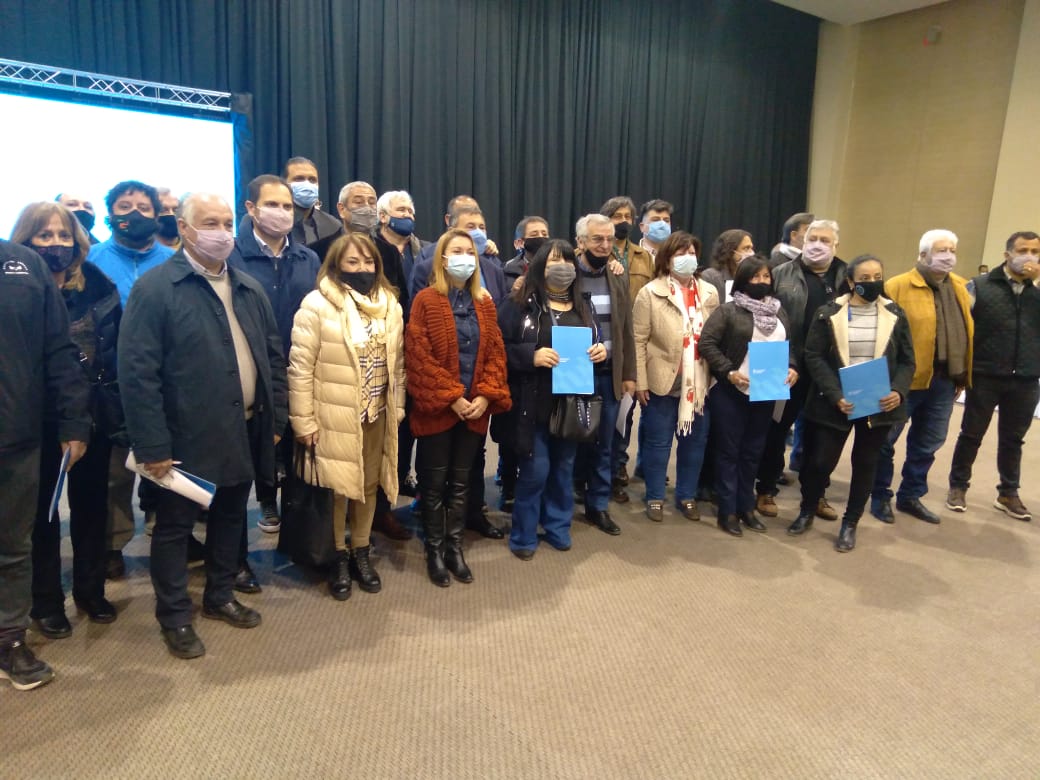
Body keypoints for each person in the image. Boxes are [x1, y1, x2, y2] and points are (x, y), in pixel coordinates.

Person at [119, 193, 287, 659]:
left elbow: (272, 358)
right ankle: (174, 615)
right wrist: (152, 444)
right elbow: (137, 374)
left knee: (231, 517)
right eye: (210, 222)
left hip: (245, 428)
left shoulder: (247, 287)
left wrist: (276, 419)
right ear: (184, 228)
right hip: (183, 438)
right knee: (175, 528)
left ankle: (219, 595)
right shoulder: (156, 289)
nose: (222, 232)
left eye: (228, 222)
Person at [11, 202, 123, 634]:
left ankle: (91, 591)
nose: (55, 245)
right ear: (26, 241)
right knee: (43, 514)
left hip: (92, 415)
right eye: (45, 236)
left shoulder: (99, 285)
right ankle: (45, 601)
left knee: (92, 507)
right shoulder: (15, 290)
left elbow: (115, 350)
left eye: (63, 236)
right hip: (35, 419)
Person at [289, 232, 405, 600]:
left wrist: (398, 406)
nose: (362, 268)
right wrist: (304, 420)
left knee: (368, 486)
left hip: (376, 415)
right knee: (339, 489)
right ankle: (337, 556)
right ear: (336, 264)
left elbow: (398, 366)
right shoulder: (316, 305)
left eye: (368, 261)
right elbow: (300, 369)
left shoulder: (391, 305)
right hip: (333, 417)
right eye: (353, 262)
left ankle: (361, 550)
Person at [0, 237, 91, 690]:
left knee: (13, 547)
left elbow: (59, 349)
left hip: (16, 437)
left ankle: (9, 639)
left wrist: (74, 422)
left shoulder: (25, 267)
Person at [406, 229, 511, 585]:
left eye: (470, 251)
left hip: (474, 409)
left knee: (462, 482)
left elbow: (495, 352)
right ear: (443, 258)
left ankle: (454, 547)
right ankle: (434, 549)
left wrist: (484, 396)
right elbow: (418, 356)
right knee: (434, 483)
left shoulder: (485, 302)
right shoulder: (426, 300)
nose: (465, 256)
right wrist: (452, 397)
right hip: (439, 408)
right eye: (457, 250)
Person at [791, 255, 915, 550]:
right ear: (850, 281)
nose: (872, 283)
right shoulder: (829, 313)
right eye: (865, 278)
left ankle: (850, 523)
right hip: (835, 400)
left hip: (879, 402)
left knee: (865, 463)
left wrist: (898, 390)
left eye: (877, 277)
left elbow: (907, 361)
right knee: (820, 462)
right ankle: (807, 509)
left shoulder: (895, 313)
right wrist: (835, 394)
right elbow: (814, 356)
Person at [228, 174, 322, 558]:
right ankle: (264, 502)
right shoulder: (232, 256)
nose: (281, 212)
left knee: (296, 444)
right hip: (251, 370)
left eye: (286, 206)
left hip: (298, 365)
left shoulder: (307, 258)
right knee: (253, 449)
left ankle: (296, 530)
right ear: (251, 208)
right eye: (272, 205)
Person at [498, 240, 607, 559]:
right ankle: (523, 535)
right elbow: (497, 349)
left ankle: (558, 527)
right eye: (554, 262)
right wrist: (529, 355)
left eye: (568, 261)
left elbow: (596, 342)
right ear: (539, 267)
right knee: (535, 472)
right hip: (534, 403)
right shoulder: (519, 303)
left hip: (572, 403)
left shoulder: (583, 305)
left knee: (563, 470)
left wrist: (600, 352)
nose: (562, 268)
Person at [87, 180, 175, 576]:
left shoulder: (174, 261)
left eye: (143, 207)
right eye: (125, 207)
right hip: (111, 382)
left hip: (166, 378)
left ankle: (172, 532)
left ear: (156, 215)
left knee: (168, 462)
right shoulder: (92, 261)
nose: (134, 214)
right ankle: (113, 543)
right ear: (110, 215)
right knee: (115, 472)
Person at [870, 229, 973, 525]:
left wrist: (961, 376)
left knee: (928, 443)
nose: (948, 256)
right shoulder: (897, 286)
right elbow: (881, 336)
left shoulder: (961, 287)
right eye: (941, 250)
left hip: (943, 381)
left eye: (952, 250)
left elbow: (966, 332)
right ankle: (879, 495)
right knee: (884, 441)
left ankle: (911, 495)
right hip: (902, 382)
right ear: (923, 255)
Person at [756, 220, 847, 523]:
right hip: (784, 364)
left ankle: (815, 495)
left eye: (825, 240)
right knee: (775, 430)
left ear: (836, 245)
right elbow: (764, 318)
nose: (817, 244)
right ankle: (765, 489)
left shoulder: (846, 276)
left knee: (822, 436)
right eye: (813, 238)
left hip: (829, 370)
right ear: (802, 241)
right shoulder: (780, 273)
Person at [699, 256, 798, 537]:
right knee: (729, 452)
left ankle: (746, 507)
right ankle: (727, 510)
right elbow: (707, 343)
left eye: (766, 276)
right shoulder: (728, 311)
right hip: (731, 392)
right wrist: (728, 371)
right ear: (743, 280)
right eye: (755, 277)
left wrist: (792, 366)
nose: (761, 281)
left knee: (753, 452)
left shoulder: (779, 312)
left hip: (766, 392)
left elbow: (789, 346)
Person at [947, 231, 1040, 521]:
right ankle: (958, 486)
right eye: (1023, 250)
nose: (1029, 256)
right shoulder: (980, 286)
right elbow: (962, 329)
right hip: (985, 373)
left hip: (1026, 377)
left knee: (1014, 439)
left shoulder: (1037, 294)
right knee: (971, 434)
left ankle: (1008, 493)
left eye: (1035, 251)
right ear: (1007, 254)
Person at [632, 231, 719, 522]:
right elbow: (638, 340)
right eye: (681, 254)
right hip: (661, 380)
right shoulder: (650, 292)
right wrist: (641, 381)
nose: (687, 258)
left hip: (699, 383)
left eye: (692, 253)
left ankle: (686, 495)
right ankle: (655, 496)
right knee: (658, 444)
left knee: (695, 444)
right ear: (667, 259)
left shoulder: (709, 292)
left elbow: (715, 335)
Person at [572, 214, 636, 531]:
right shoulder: (567, 275)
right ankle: (568, 498)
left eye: (609, 239)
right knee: (573, 441)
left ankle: (598, 505)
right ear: (581, 241)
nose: (605, 245)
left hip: (610, 374)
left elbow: (626, 328)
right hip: (575, 374)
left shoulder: (618, 276)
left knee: (605, 445)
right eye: (598, 239)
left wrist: (629, 373)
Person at [285, 156, 343, 249]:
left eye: (312, 180)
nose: (307, 184)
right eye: (299, 179)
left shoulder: (333, 226)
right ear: (284, 184)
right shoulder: (274, 223)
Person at [700, 229, 754, 303]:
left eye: (751, 248)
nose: (751, 253)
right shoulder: (710, 276)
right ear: (730, 250)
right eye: (746, 248)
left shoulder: (752, 277)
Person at [503, 216, 550, 291]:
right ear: (520, 242)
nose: (541, 237)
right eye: (534, 235)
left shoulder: (558, 265)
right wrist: (514, 292)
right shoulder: (507, 269)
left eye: (544, 234)